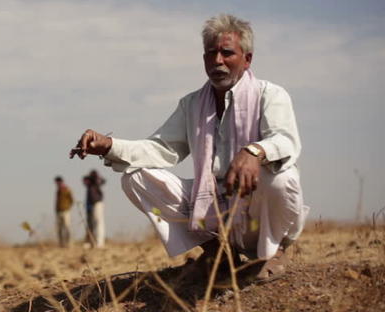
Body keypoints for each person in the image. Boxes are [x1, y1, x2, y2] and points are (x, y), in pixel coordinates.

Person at [70, 14, 308, 281]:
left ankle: (272, 253)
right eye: (210, 53)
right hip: (215, 207)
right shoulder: (192, 105)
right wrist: (108, 146)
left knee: (281, 177)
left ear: (247, 59)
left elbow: (285, 140)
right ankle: (219, 254)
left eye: (227, 53)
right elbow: (160, 149)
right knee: (136, 178)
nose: (217, 60)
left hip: (255, 206)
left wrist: (254, 152)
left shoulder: (270, 94)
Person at [83, 170, 106, 248]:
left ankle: (100, 242)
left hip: (97, 203)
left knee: (99, 223)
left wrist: (96, 177)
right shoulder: (89, 187)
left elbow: (103, 181)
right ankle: (93, 242)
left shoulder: (96, 183)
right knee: (91, 224)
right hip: (91, 205)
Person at [54, 176, 73, 247]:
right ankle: (61, 243)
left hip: (66, 211)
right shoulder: (58, 190)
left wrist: (67, 208)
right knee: (59, 228)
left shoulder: (66, 189)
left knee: (67, 227)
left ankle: (69, 243)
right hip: (58, 211)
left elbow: (72, 200)